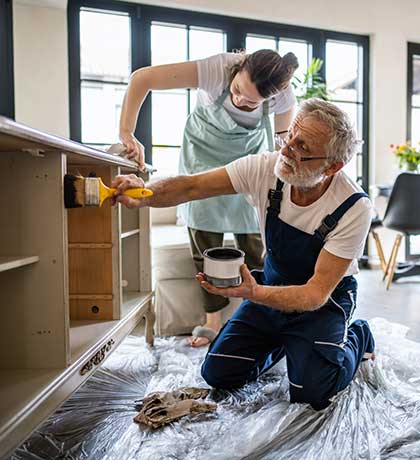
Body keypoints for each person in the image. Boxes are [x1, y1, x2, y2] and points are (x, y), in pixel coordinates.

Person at [112, 98, 375, 410]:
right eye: (289, 135)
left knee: (313, 394)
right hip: (272, 287)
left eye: (301, 147)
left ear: (332, 166)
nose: (287, 149)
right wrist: (143, 193)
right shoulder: (267, 168)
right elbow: (192, 187)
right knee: (219, 373)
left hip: (323, 303)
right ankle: (284, 341)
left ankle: (360, 335)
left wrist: (254, 293)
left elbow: (315, 294)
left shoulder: (353, 207)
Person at [119, 49, 299, 347]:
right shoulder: (216, 69)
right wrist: (127, 132)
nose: (241, 100)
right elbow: (143, 78)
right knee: (205, 242)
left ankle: (256, 318)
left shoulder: (284, 97)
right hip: (202, 155)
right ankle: (212, 319)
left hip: (248, 162)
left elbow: (282, 149)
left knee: (255, 245)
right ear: (238, 69)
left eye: (252, 101)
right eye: (238, 90)